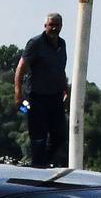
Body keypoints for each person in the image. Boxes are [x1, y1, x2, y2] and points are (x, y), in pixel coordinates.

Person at [13, 12, 70, 168]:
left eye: (57, 25)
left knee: (59, 136)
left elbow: (61, 69)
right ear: (45, 26)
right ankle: (37, 168)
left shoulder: (62, 44)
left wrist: (66, 90)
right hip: (36, 97)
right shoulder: (35, 43)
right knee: (38, 137)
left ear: (61, 27)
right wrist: (18, 95)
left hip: (55, 96)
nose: (54, 28)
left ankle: (41, 164)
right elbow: (20, 69)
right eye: (51, 25)